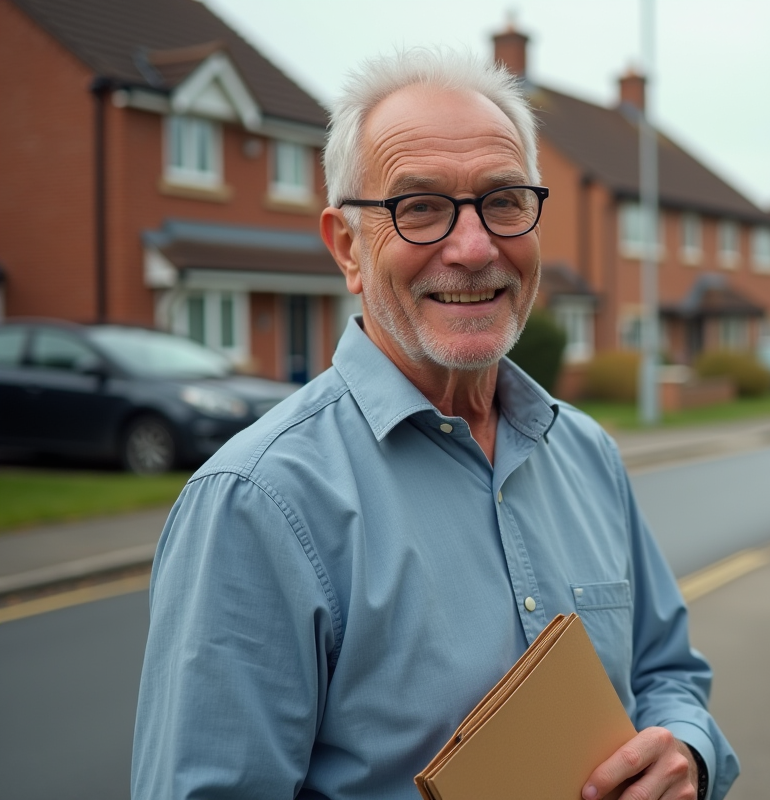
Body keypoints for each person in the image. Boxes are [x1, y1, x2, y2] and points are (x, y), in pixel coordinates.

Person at [132, 49, 738, 800]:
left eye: (504, 200)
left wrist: (685, 750)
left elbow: (666, 671)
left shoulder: (586, 453)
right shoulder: (255, 503)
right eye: (418, 207)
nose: (474, 247)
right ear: (347, 246)